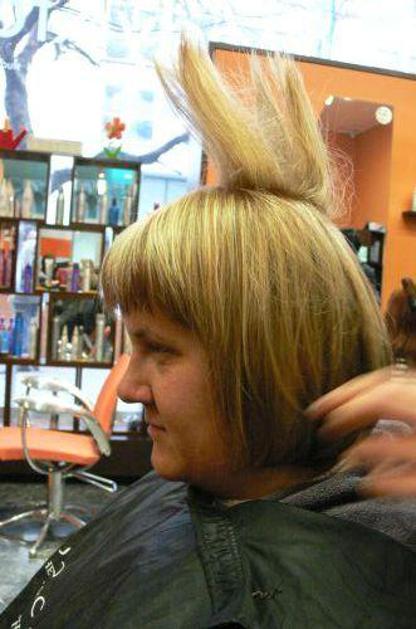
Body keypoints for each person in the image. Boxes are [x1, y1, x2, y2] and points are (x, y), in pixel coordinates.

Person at [2, 37, 416, 628]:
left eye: (160, 349)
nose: (129, 389)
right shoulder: (210, 482)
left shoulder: (353, 580)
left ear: (275, 362)